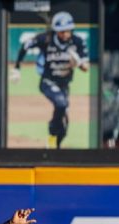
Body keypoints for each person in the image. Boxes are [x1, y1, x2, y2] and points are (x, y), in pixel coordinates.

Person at [10, 11, 89, 149]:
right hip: (47, 82)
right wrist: (17, 68)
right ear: (55, 31)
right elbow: (25, 46)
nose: (65, 35)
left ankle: (55, 146)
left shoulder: (77, 42)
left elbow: (86, 67)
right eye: (61, 32)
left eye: (68, 31)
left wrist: (78, 63)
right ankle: (51, 135)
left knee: (64, 125)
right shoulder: (46, 39)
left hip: (64, 85)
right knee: (61, 103)